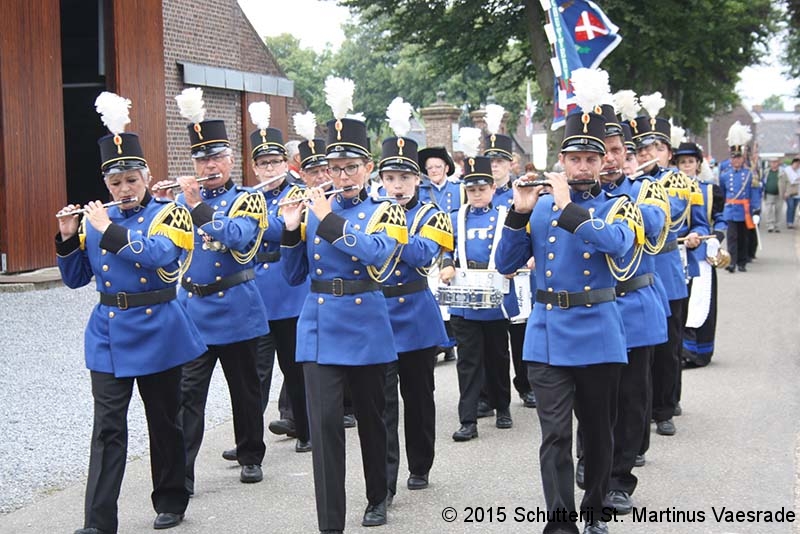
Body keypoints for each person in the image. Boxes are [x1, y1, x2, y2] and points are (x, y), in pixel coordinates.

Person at [58, 92, 205, 533]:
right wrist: (67, 237)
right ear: (107, 185)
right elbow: (75, 278)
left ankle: (171, 499)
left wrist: (108, 230)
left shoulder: (170, 214)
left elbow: (161, 257)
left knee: (164, 422)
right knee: (107, 427)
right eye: (116, 182)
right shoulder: (95, 220)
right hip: (108, 332)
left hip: (158, 328)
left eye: (131, 180)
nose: (124, 189)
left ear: (146, 177)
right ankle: (98, 521)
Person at [495, 107, 637, 534]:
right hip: (548, 331)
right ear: (562, 160)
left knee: (597, 433)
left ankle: (593, 513)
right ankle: (560, 522)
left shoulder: (618, 205)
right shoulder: (538, 208)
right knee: (554, 434)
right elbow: (505, 263)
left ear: (603, 162)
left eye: (591, 159)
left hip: (598, 331)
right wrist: (519, 214)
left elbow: (616, 244)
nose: (583, 167)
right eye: (575, 159)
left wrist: (567, 206)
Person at [281, 116, 408, 532]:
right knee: (324, 427)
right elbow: (293, 276)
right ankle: (330, 522)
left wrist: (328, 219)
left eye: (351, 167)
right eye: (334, 169)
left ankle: (377, 495)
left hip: (365, 320)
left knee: (373, 419)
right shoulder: (315, 209)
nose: (342, 176)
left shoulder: (386, 209)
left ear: (368, 167)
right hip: (319, 323)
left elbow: (376, 253)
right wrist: (290, 230)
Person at [162, 94, 269, 493]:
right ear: (194, 164)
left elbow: (238, 236)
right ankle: (182, 473)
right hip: (194, 309)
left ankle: (250, 455)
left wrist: (196, 206)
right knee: (188, 395)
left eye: (217, 157)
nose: (210, 166)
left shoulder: (247, 199)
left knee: (245, 390)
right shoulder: (179, 202)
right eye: (203, 159)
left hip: (236, 306)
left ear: (230, 159)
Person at [586, 112, 669, 515]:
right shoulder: (577, 196)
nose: (610, 159)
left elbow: (653, 223)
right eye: (601, 153)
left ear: (626, 154)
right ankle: (590, 458)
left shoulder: (644, 189)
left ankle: (620, 479)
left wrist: (616, 203)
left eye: (616, 151)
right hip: (592, 308)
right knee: (591, 397)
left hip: (633, 305)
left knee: (632, 398)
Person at [377, 133, 453, 503]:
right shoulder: (370, 210)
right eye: (390, 178)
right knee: (381, 403)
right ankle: (384, 480)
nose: (397, 186)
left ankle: (420, 465)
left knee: (419, 397)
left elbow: (423, 254)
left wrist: (388, 230)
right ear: (381, 180)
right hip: (377, 314)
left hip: (416, 313)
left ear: (417, 179)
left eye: (405, 178)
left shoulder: (433, 214)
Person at [627, 103, 707, 438]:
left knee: (668, 347)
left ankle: (665, 408)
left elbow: (670, 215)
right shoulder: (627, 181)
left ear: (668, 153)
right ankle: (642, 409)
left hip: (668, 272)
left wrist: (697, 237)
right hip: (634, 274)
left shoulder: (676, 181)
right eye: (642, 148)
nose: (649, 153)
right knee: (640, 349)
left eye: (656, 147)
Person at [440, 147, 518, 441]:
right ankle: (468, 419)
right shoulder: (455, 217)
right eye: (471, 189)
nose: (476, 194)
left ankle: (503, 406)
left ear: (493, 188)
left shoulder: (504, 215)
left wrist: (514, 265)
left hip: (495, 295)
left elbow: (515, 248)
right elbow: (446, 248)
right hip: (464, 297)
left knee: (498, 357)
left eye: (482, 189)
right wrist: (446, 264)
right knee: (468, 361)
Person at [245, 115, 311, 455]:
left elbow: (283, 228)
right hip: (257, 291)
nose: (269, 169)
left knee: (294, 367)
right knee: (255, 374)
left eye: (275, 162)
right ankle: (249, 440)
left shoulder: (297, 193)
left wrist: (251, 222)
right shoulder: (250, 196)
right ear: (254, 168)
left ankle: (305, 430)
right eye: (263, 164)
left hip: (289, 290)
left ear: (286, 164)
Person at [484, 129, 537, 411]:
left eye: (500, 161)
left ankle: (526, 385)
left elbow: (534, 230)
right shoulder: (477, 192)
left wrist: (532, 258)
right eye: (490, 161)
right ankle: (490, 394)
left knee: (520, 334)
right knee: (490, 339)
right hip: (487, 274)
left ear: (510, 163)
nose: (495, 166)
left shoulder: (521, 191)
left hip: (518, 273)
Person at [675, 142, 727, 367]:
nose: (687, 166)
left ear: (698, 164)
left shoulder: (709, 190)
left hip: (701, 253)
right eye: (682, 162)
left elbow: (720, 219)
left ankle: (700, 351)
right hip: (676, 253)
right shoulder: (668, 188)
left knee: (701, 301)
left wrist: (715, 238)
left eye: (690, 162)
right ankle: (681, 350)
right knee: (681, 302)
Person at [418, 146, 461, 362]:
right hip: (430, 247)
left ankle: (450, 343)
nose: (434, 170)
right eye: (430, 168)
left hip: (453, 247)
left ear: (446, 167)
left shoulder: (459, 189)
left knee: (450, 298)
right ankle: (435, 343)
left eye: (438, 166)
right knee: (433, 299)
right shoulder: (420, 191)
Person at [719, 127, 760, 273]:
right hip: (730, 210)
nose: (736, 160)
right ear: (731, 159)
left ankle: (742, 262)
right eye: (733, 158)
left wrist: (756, 209)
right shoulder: (725, 175)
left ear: (742, 159)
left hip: (744, 210)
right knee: (731, 238)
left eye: (738, 158)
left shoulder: (749, 174)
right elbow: (723, 193)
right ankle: (732, 262)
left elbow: (754, 192)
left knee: (743, 237)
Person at [762, 158, 784, 232]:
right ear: (770, 163)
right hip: (769, 194)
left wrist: (786, 192)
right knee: (768, 210)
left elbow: (787, 182)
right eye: (772, 162)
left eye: (775, 162)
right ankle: (770, 225)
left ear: (778, 163)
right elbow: (763, 181)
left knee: (778, 210)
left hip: (779, 194)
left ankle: (777, 226)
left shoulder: (782, 172)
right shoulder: (766, 172)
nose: (774, 164)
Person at [780, 157, 800, 229]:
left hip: (797, 193)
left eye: (799, 164)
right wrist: (783, 193)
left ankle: (791, 221)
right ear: (793, 163)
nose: (797, 165)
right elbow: (783, 183)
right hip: (789, 192)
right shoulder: (787, 170)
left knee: (794, 208)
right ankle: (789, 222)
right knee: (790, 207)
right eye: (796, 164)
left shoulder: (799, 170)